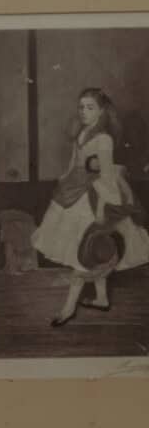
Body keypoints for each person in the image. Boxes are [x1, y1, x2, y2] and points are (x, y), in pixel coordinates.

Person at [32, 86, 149, 325]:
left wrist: (99, 212)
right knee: (91, 251)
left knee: (84, 255)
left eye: (90, 107)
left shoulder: (104, 139)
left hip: (93, 199)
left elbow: (106, 179)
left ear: (102, 111)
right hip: (72, 194)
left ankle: (67, 309)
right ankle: (102, 299)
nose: (84, 112)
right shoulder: (82, 132)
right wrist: (63, 182)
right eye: (81, 107)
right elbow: (73, 164)